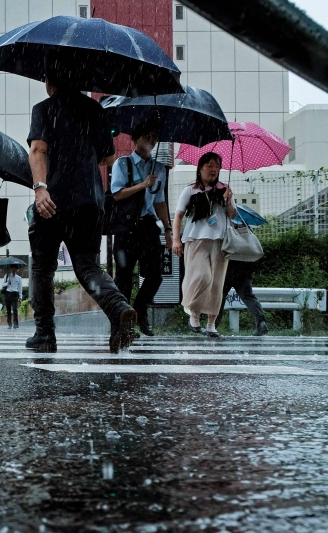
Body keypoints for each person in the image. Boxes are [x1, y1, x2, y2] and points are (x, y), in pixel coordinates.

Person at [26, 66, 138, 354]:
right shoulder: (94, 110)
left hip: (52, 200)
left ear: (50, 80)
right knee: (88, 267)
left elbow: (38, 150)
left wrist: (41, 187)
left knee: (42, 268)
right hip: (89, 201)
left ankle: (45, 334)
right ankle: (119, 308)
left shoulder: (44, 109)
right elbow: (109, 157)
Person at [109, 120, 173, 337]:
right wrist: (142, 185)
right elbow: (117, 194)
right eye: (147, 136)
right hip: (126, 227)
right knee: (124, 277)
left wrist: (168, 228)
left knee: (156, 274)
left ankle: (139, 309)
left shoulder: (160, 168)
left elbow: (160, 202)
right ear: (135, 140)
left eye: (154, 136)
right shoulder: (122, 163)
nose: (152, 140)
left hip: (148, 225)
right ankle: (121, 324)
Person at [172, 152, 236, 338]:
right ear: (200, 169)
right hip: (196, 240)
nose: (213, 168)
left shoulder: (225, 189)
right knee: (201, 277)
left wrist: (228, 201)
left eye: (216, 165)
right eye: (209, 164)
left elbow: (232, 215)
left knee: (217, 283)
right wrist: (177, 239)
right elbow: (178, 216)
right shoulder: (190, 190)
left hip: (220, 242)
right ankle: (193, 312)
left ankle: (211, 324)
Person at [216, 260, 268, 336]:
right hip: (245, 269)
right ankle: (261, 322)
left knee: (220, 297)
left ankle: (213, 326)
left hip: (227, 269)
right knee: (248, 297)